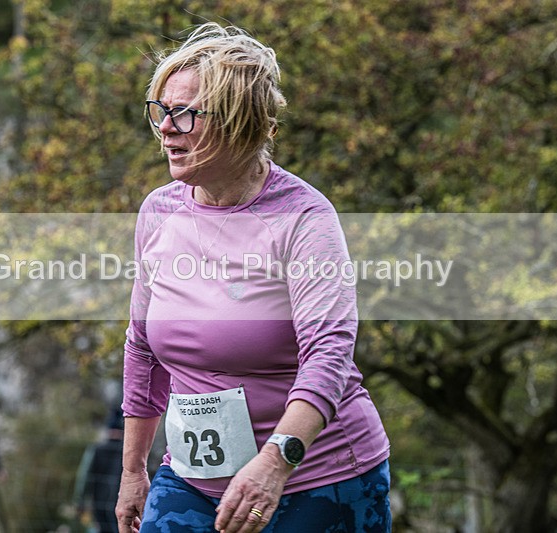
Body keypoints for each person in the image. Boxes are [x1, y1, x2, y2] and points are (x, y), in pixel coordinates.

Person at [116, 23, 392, 533]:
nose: (166, 128)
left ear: (239, 122)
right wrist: (133, 470)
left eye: (185, 113)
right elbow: (142, 348)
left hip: (316, 479)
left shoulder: (303, 218)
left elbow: (329, 352)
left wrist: (274, 462)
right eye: (161, 110)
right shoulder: (158, 211)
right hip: (192, 482)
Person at [74, 407, 124, 533]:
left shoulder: (97, 449)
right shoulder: (128, 452)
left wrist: (80, 501)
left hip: (99, 502)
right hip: (123, 502)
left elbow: (85, 476)